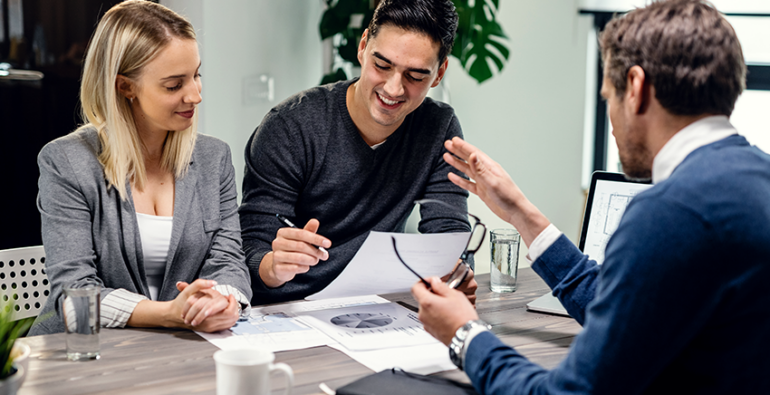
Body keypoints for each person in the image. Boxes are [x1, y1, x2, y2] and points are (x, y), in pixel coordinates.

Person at [412, 0, 770, 393]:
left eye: (608, 97)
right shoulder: (753, 179)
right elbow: (626, 308)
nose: (612, 124)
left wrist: (465, 335)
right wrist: (518, 211)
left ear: (635, 88)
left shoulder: (671, 212)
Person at [30, 1, 252, 336]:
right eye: (174, 85)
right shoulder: (66, 162)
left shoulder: (213, 157)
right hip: (83, 354)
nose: (195, 95)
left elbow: (229, 262)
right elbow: (73, 295)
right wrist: (170, 314)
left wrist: (221, 302)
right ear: (125, 87)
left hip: (178, 350)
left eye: (197, 75)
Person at [240, 0, 477, 304]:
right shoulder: (290, 127)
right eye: (382, 65)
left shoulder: (438, 128)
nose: (393, 89)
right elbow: (249, 248)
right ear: (363, 46)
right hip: (289, 310)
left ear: (439, 72)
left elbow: (447, 233)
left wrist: (454, 272)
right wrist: (272, 266)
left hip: (376, 306)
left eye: (415, 76)